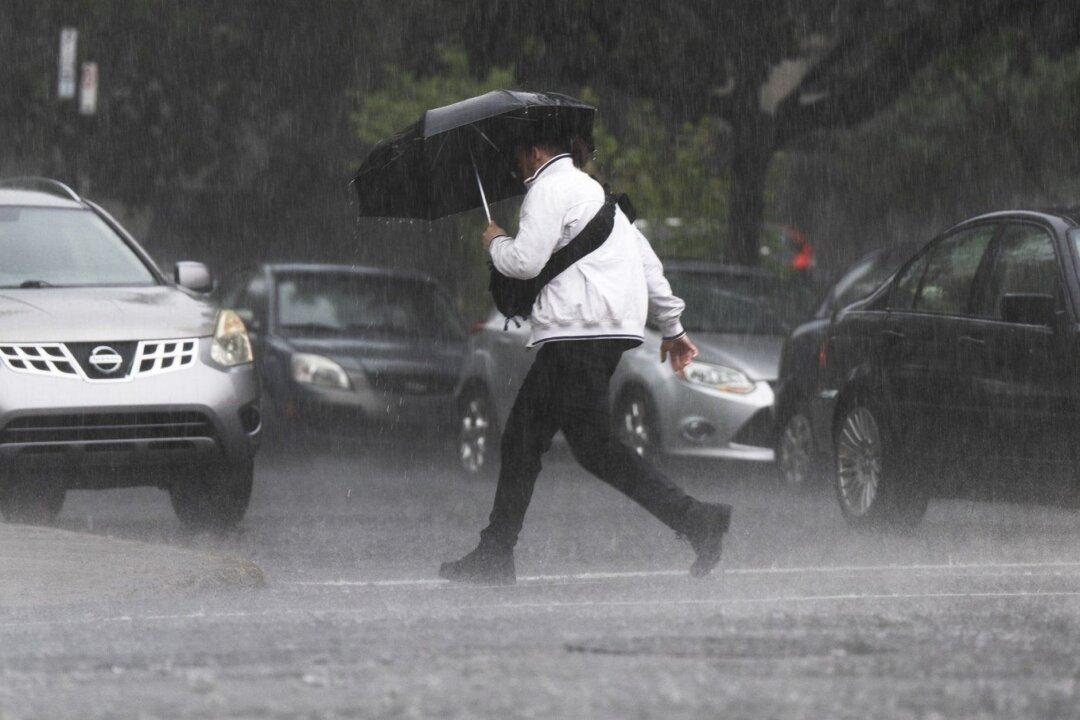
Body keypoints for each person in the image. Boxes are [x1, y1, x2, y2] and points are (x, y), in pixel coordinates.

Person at [439, 127, 732, 585]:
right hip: (608, 332)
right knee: (592, 448)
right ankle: (697, 521)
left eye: (518, 158)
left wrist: (495, 240)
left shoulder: (548, 188)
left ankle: (497, 553)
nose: (518, 170)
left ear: (535, 151)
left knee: (523, 439)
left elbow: (525, 262)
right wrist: (673, 327)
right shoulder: (595, 193)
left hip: (577, 333)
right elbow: (647, 263)